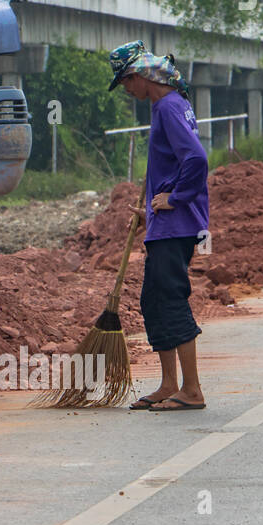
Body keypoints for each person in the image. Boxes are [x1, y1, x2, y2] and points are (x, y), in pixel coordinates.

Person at [107, 40, 210, 412]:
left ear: (138, 76)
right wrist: (150, 212)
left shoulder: (167, 106)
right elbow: (172, 164)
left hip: (176, 222)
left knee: (170, 298)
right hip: (164, 223)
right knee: (152, 300)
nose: (126, 90)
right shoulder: (165, 105)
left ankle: (192, 389)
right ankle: (169, 383)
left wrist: (175, 199)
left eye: (125, 82)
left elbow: (196, 159)